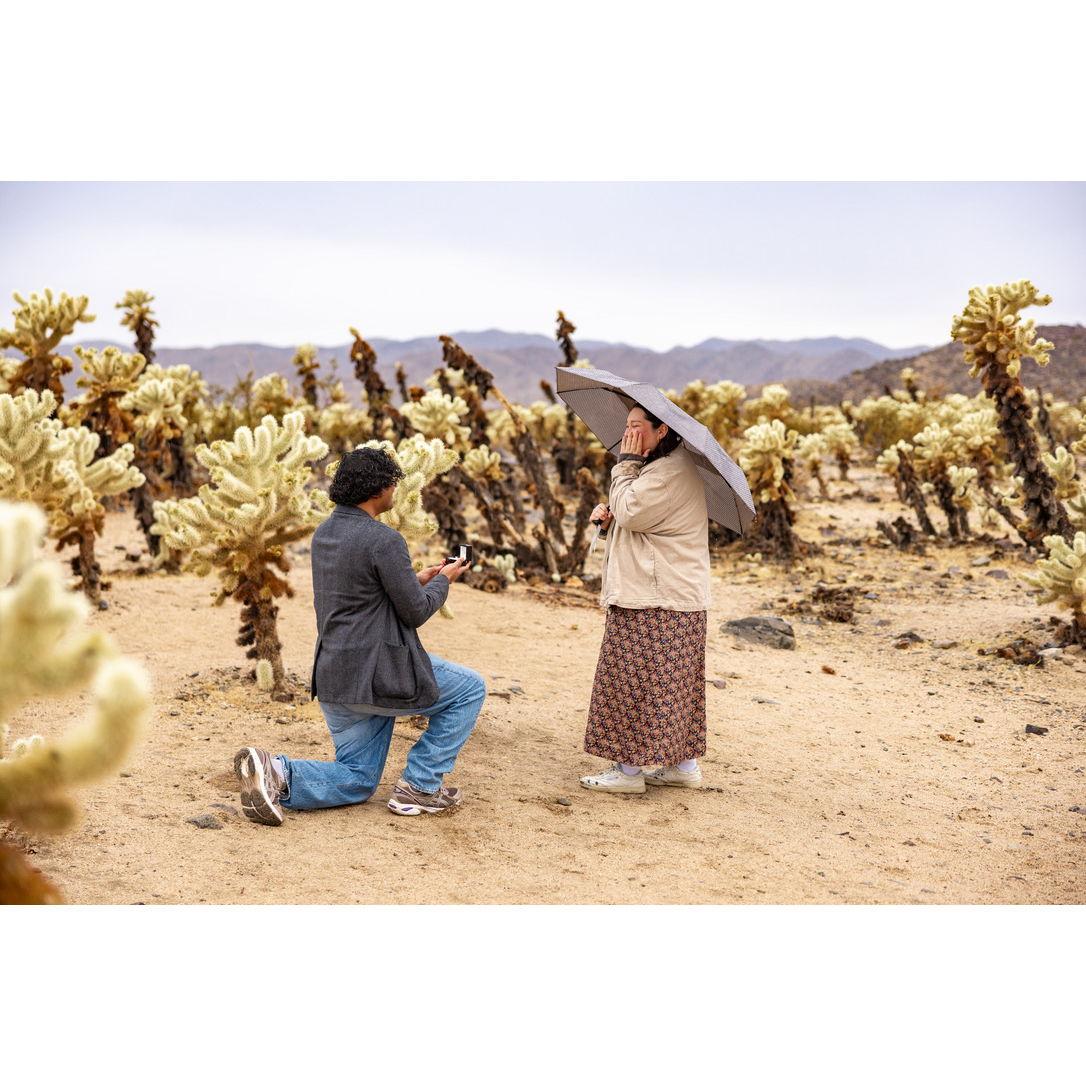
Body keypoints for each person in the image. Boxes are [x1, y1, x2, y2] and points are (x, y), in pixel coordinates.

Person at [234, 446, 485, 825]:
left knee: (358, 779)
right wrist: (444, 582)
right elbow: (415, 611)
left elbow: (359, 592)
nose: (394, 492)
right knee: (470, 688)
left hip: (334, 676)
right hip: (379, 677)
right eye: (392, 485)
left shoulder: (324, 534)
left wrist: (414, 581)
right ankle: (421, 785)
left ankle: (278, 772)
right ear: (378, 489)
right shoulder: (384, 540)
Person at [579, 404, 710, 794]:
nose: (628, 435)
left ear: (662, 429)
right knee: (671, 685)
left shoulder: (668, 472)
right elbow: (638, 520)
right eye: (626, 427)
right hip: (669, 594)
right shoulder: (663, 468)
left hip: (655, 598)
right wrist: (611, 518)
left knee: (630, 682)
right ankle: (682, 766)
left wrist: (625, 466)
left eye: (637, 427)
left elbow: (634, 511)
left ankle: (628, 772)